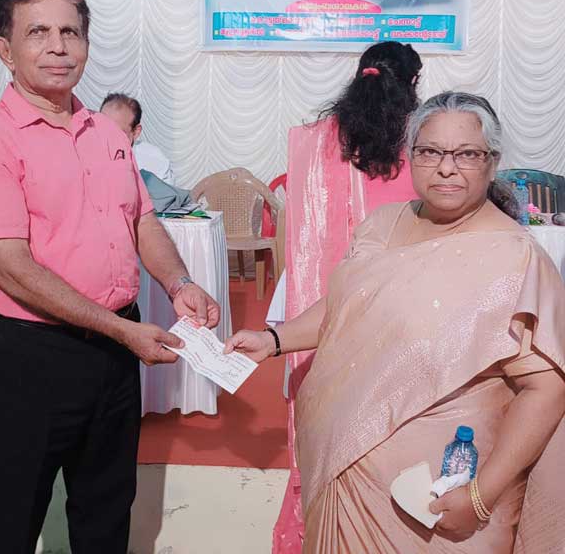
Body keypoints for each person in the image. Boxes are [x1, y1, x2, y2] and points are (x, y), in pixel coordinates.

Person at [226, 92, 565, 552]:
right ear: (411, 156)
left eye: (466, 154)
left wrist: (480, 497)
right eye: (430, 151)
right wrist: (273, 339)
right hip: (345, 481)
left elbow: (546, 389)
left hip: (440, 504)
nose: (446, 168)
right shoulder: (382, 224)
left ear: (492, 162)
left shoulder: (515, 257)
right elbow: (346, 306)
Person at [0, 0, 219, 554]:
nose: (58, 47)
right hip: (30, 357)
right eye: (38, 33)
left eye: (70, 32)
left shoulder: (108, 133)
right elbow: (10, 266)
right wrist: (120, 331)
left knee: (106, 511)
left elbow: (142, 220)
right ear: (5, 49)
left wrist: (179, 283)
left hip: (112, 356)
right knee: (11, 518)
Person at [275, 41, 422, 550]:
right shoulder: (420, 144)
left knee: (324, 423)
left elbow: (300, 236)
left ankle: (315, 527)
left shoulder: (313, 141)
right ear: (412, 84)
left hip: (317, 305)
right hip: (397, 309)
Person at [100, 92, 175, 185]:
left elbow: (166, 194)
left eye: (117, 133)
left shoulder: (156, 163)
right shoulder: (86, 154)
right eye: (102, 129)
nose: (107, 138)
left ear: (136, 132)